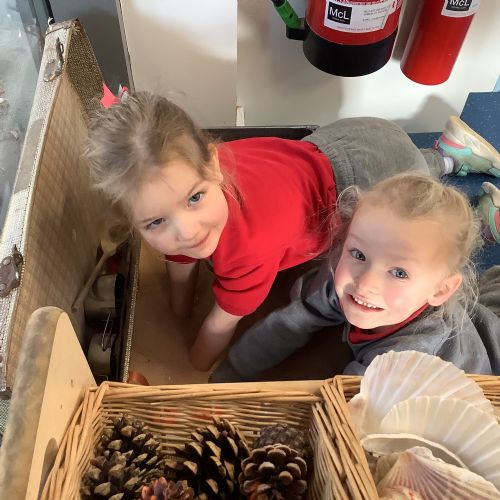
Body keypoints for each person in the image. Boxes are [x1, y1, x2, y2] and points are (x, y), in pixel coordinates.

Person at [85, 91, 500, 371]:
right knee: (417, 192)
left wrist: (194, 366)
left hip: (363, 172)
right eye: (156, 222)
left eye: (195, 198)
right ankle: (448, 155)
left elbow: (222, 324)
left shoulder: (249, 245)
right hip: (353, 138)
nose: (188, 232)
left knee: (419, 224)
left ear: (212, 164)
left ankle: (479, 215)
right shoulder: (186, 170)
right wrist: (179, 308)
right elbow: (179, 254)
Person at [211, 172, 500, 381]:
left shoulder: (407, 357)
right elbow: (288, 324)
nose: (365, 283)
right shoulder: (344, 278)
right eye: (359, 254)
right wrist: (230, 373)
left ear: (439, 291)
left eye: (399, 273)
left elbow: (341, 408)